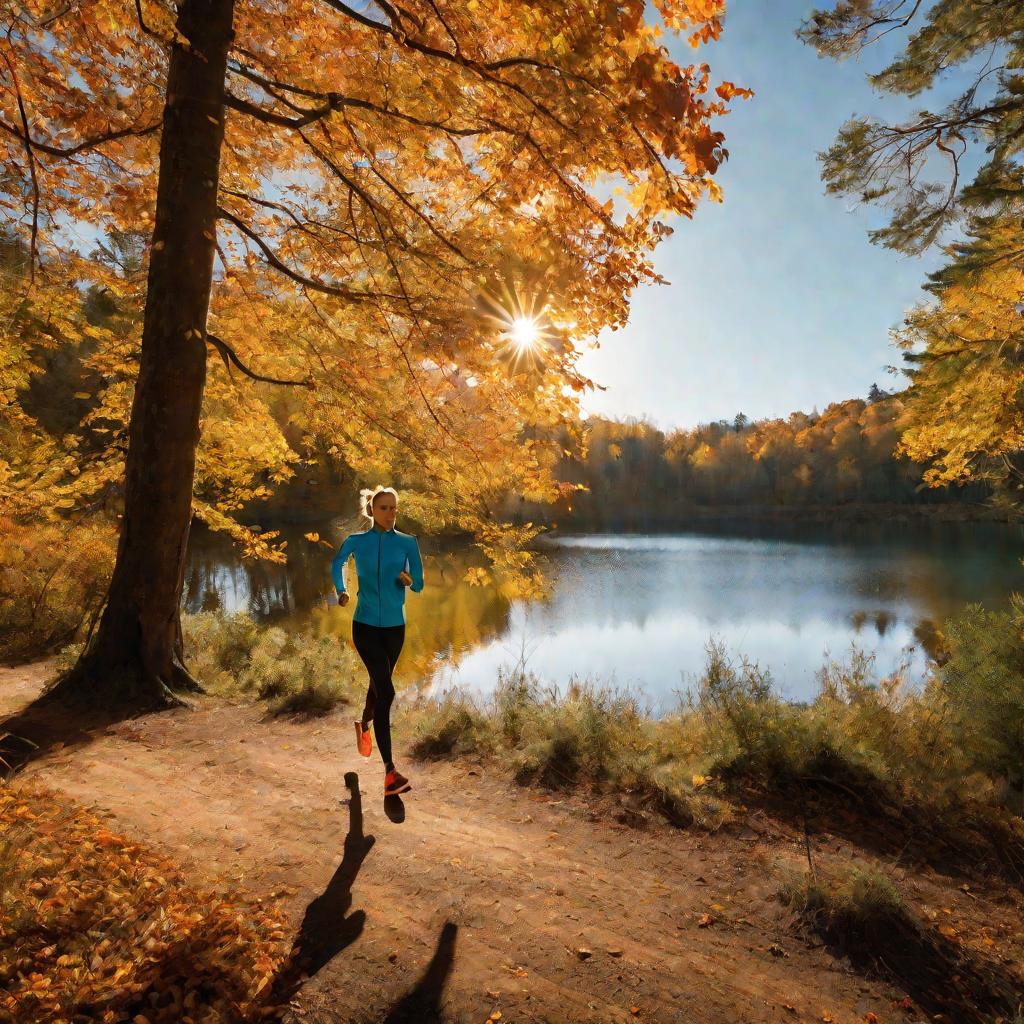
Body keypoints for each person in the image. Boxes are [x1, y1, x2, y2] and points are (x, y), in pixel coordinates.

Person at [331, 486, 423, 797]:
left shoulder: (408, 543)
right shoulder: (357, 542)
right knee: (387, 689)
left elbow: (420, 584)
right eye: (384, 508)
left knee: (377, 684)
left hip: (395, 628)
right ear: (372, 511)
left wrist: (410, 580)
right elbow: (337, 563)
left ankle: (365, 724)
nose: (390, 513)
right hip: (366, 626)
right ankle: (389, 773)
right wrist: (341, 590)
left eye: (394, 508)